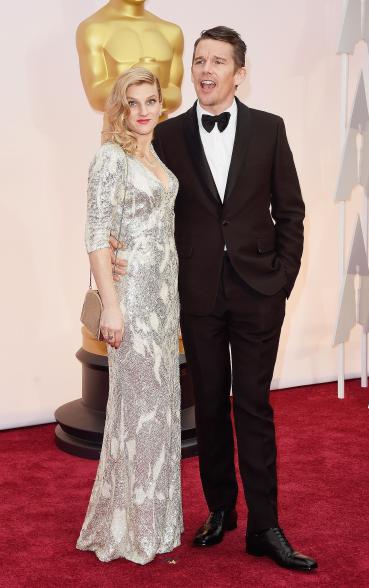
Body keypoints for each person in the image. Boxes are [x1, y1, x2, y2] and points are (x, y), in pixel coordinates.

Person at [112, 26, 317, 572]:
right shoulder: (170, 134)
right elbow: (144, 202)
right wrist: (118, 256)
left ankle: (265, 525)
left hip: (258, 295)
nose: (205, 70)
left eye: (218, 62)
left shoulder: (269, 129)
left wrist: (282, 281)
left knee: (253, 406)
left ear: (239, 72)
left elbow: (291, 212)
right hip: (196, 295)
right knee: (207, 406)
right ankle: (220, 509)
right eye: (199, 60)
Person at [76, 67, 183, 564]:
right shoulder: (110, 159)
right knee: (136, 412)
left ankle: (155, 522)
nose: (143, 111)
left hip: (163, 296)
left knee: (159, 411)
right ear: (119, 107)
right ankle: (129, 526)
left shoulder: (153, 153)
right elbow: (98, 237)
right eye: (133, 102)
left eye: (151, 101)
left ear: (161, 104)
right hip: (133, 300)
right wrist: (112, 307)